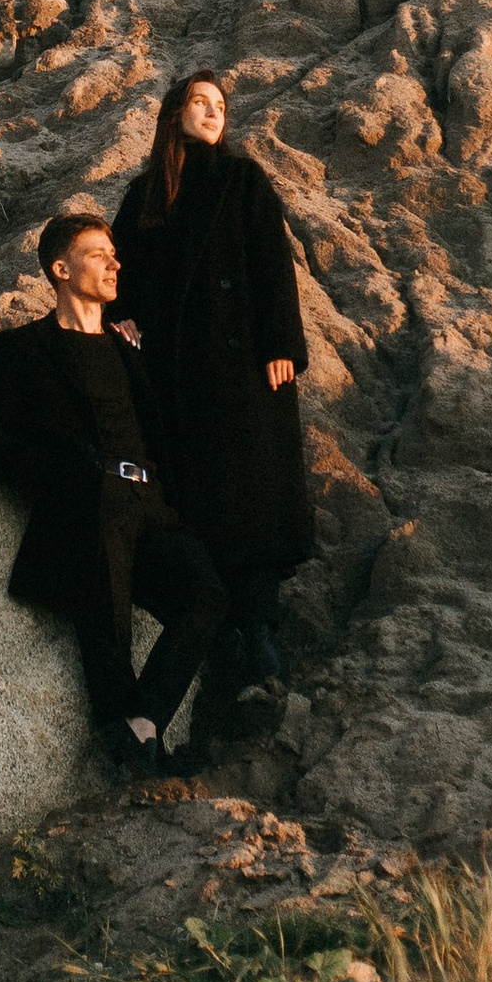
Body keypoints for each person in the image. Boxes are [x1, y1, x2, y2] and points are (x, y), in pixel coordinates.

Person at [0, 209, 228, 775]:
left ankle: (139, 726)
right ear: (61, 269)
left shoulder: (128, 347)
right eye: (98, 254)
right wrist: (67, 475)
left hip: (149, 501)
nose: (115, 263)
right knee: (105, 606)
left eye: (114, 254)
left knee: (205, 595)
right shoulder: (21, 349)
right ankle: (134, 735)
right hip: (89, 502)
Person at [112, 73, 313, 693]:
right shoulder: (146, 195)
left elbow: (272, 264)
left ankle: (261, 638)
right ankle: (223, 639)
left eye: (221, 106)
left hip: (242, 367)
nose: (213, 112)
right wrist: (121, 319)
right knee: (197, 499)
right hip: (177, 376)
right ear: (174, 113)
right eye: (201, 102)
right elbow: (121, 271)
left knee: (251, 495)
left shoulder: (243, 180)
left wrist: (282, 343)